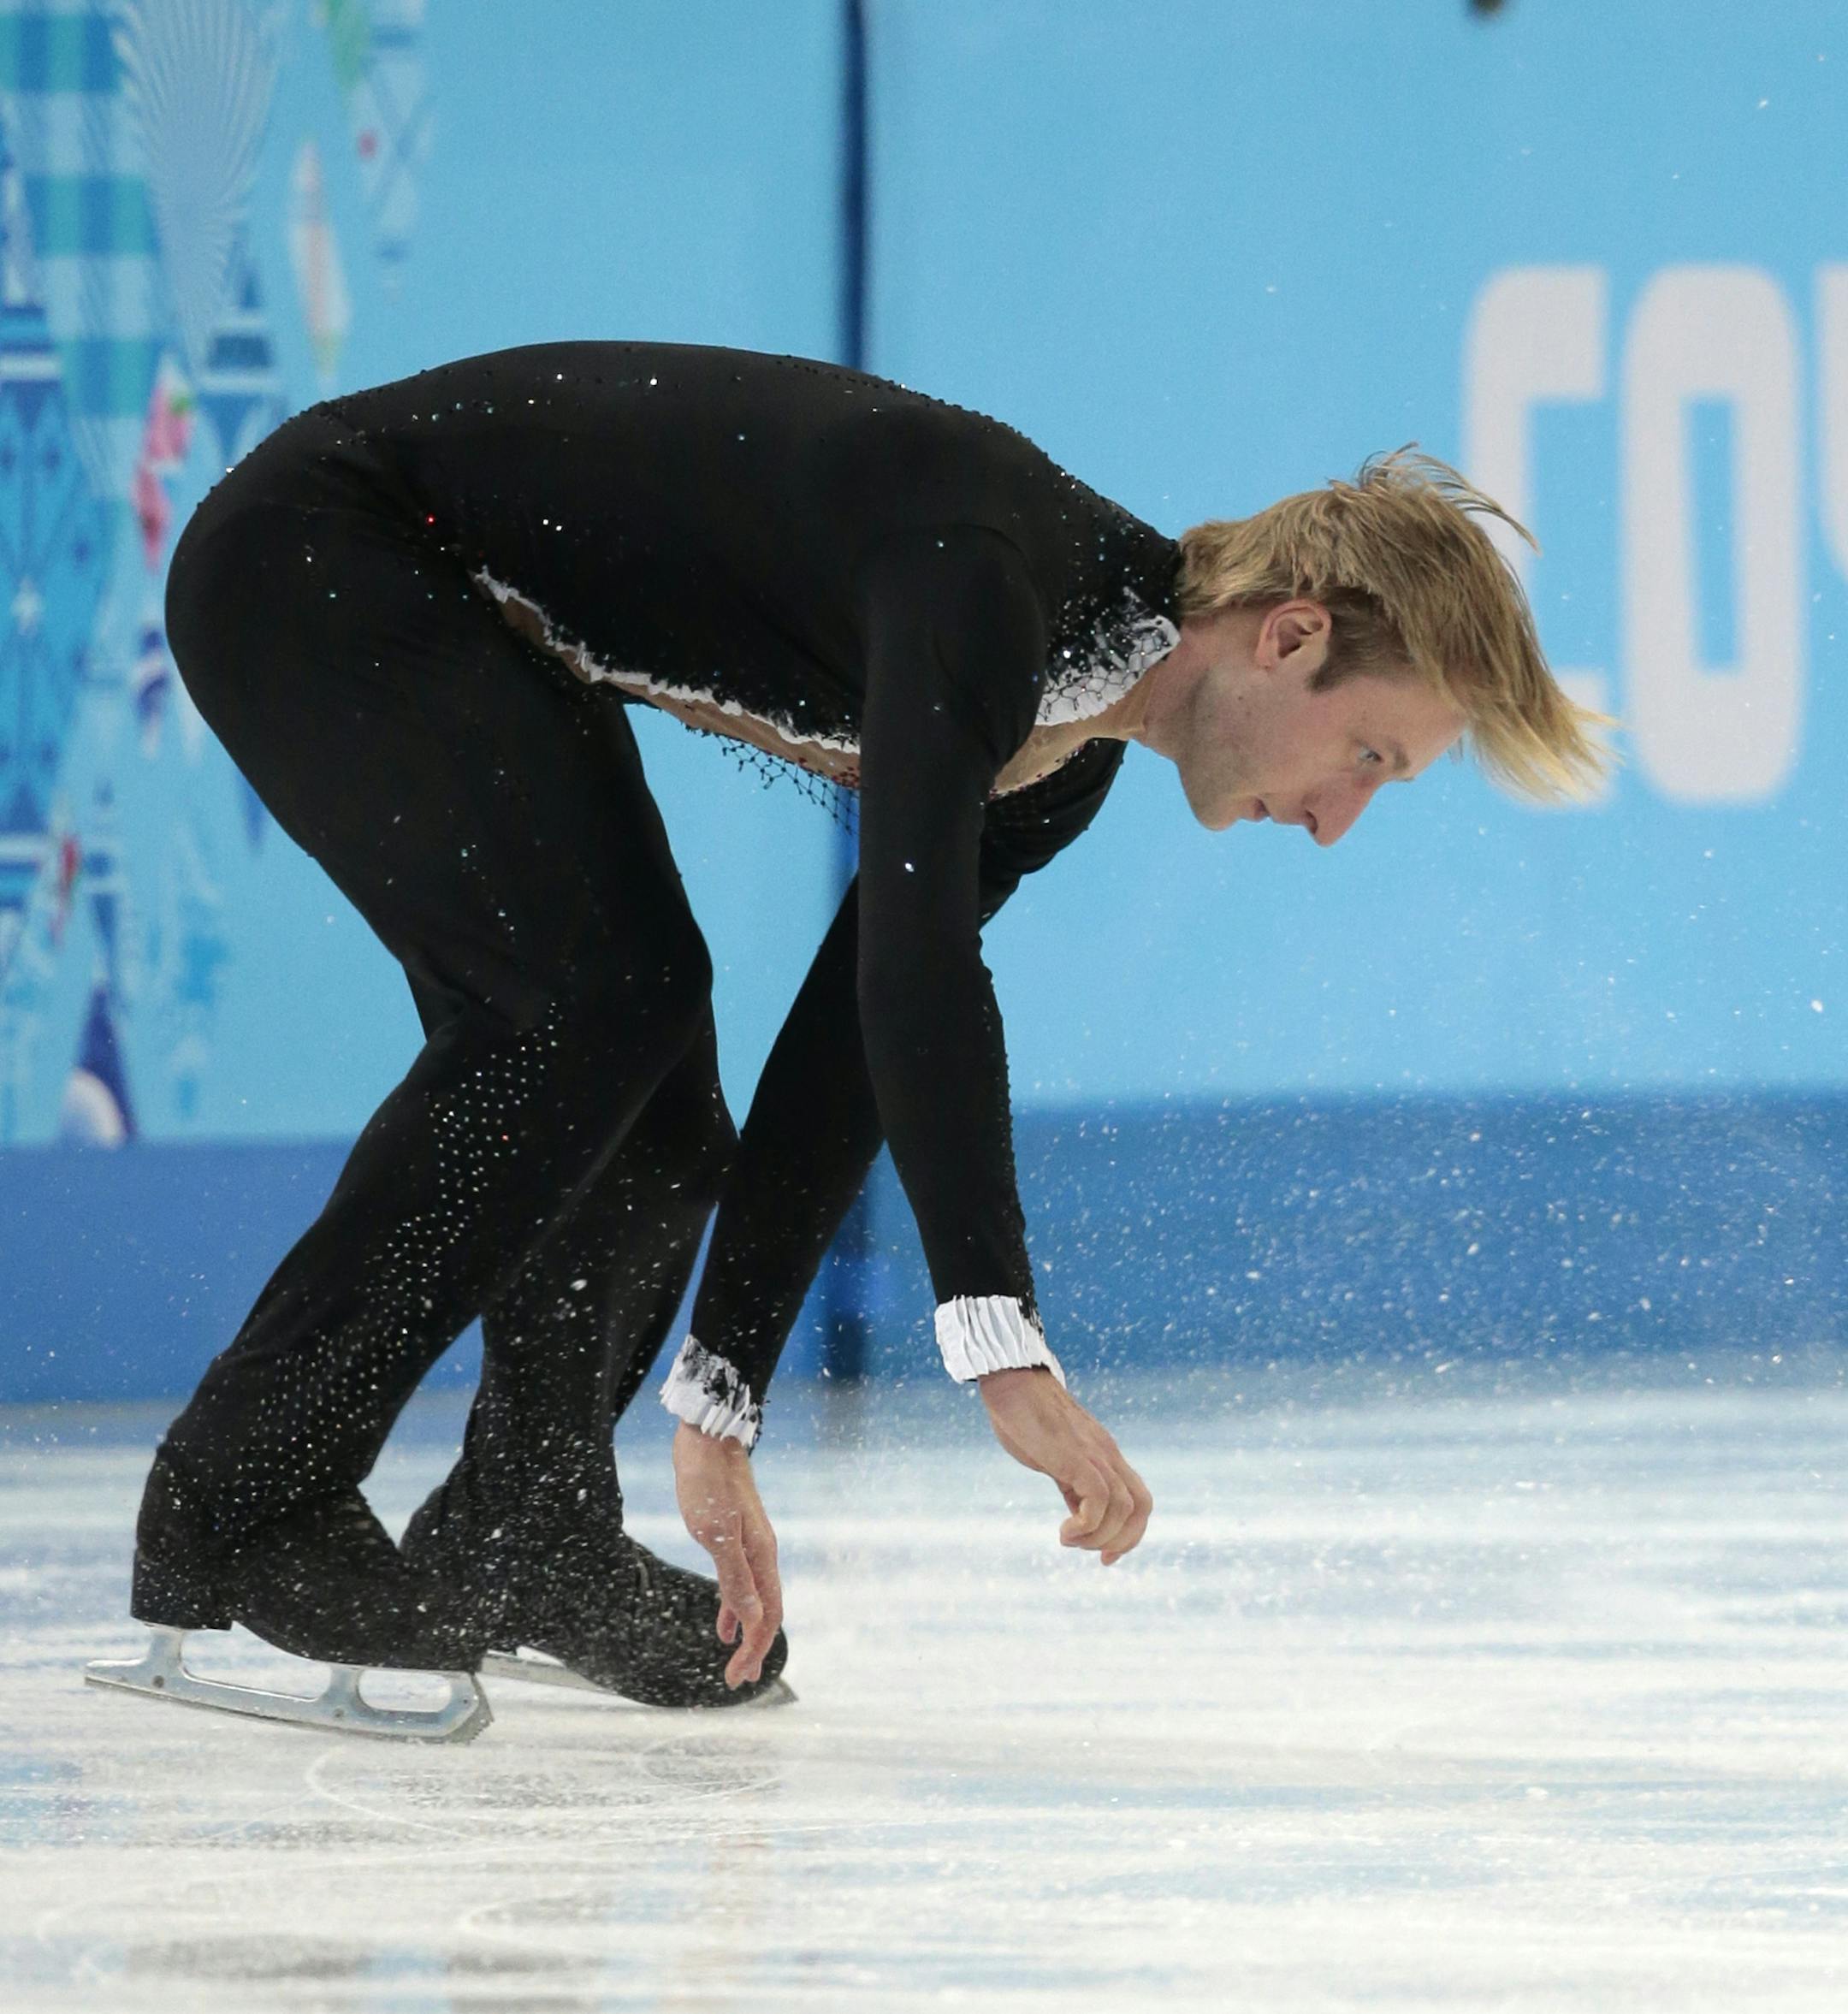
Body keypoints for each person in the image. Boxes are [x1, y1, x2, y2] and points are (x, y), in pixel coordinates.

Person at [88, 341, 1608, 1738]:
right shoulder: (993, 584)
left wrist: (721, 1393)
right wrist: (997, 1340)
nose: (1338, 821)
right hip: (325, 554)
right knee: (580, 1007)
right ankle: (241, 1503)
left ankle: (524, 1526)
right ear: (1290, 635)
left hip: (459, 607)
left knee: (645, 1067)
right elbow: (917, 969)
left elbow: (850, 1035)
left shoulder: (1062, 755)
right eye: (1369, 757)